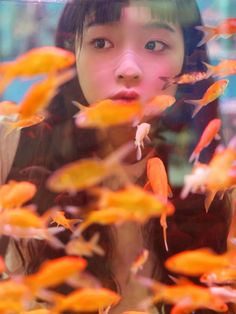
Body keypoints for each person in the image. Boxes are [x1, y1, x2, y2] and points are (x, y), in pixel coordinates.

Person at [1, 0, 233, 313]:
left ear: (187, 63)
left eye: (154, 44)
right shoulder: (12, 142)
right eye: (101, 42)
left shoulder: (223, 174)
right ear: (73, 55)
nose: (128, 70)